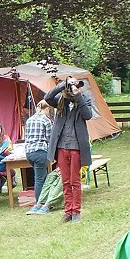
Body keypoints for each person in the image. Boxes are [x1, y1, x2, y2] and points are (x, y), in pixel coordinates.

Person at [45, 76, 98, 223]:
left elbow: (87, 115)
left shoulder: (84, 99)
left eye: (78, 85)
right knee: (65, 181)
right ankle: (68, 211)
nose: (75, 87)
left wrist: (78, 95)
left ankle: (76, 212)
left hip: (76, 147)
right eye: (73, 85)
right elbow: (48, 97)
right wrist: (63, 85)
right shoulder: (61, 100)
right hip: (61, 146)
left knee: (75, 181)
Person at [24, 100, 54, 214]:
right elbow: (49, 138)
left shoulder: (29, 119)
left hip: (29, 153)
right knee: (40, 179)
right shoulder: (46, 120)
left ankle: (43, 200)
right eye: (48, 110)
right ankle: (39, 203)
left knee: (41, 176)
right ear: (46, 109)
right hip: (40, 151)